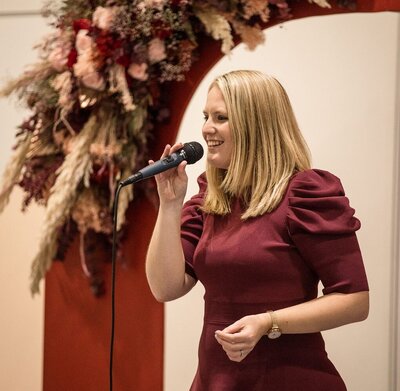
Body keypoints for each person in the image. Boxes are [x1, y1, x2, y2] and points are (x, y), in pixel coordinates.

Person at [145, 70, 369, 390]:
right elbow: (165, 288)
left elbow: (354, 300)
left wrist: (268, 323)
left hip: (288, 378)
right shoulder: (210, 197)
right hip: (215, 378)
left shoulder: (305, 193)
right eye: (206, 116)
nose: (207, 128)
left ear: (256, 125)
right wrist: (169, 204)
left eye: (221, 117)